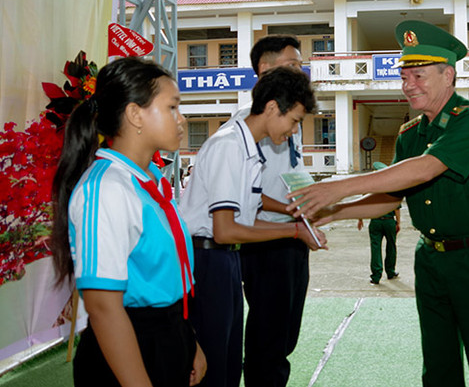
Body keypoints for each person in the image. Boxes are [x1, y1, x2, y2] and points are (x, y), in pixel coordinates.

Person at [286, 20, 469, 387]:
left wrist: (338, 186)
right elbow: (390, 197)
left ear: (448, 76)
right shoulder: (411, 133)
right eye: (404, 76)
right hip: (431, 259)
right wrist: (330, 212)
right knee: (438, 364)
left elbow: (424, 169)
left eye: (418, 75)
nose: (408, 85)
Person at [50, 57, 206, 386]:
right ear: (135, 114)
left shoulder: (148, 178)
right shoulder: (106, 188)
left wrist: (187, 340)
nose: (182, 119)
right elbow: (104, 307)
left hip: (167, 332)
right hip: (128, 349)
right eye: (172, 107)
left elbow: (167, 280)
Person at [179, 67, 327, 387]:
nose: (294, 130)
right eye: (295, 120)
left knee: (231, 361)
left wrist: (293, 211)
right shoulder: (229, 145)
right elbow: (225, 228)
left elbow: (251, 208)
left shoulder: (250, 150)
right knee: (213, 366)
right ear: (273, 108)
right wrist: (294, 231)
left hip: (227, 260)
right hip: (207, 260)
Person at [238, 34, 313, 387]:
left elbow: (289, 176)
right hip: (265, 238)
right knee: (268, 335)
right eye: (293, 65)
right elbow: (243, 193)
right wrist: (290, 211)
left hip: (293, 237)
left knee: (286, 334)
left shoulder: (288, 122)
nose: (302, 71)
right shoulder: (245, 126)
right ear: (265, 70)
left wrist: (319, 203)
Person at [356, 162, 401, 285]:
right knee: (391, 246)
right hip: (389, 222)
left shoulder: (370, 188)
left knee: (375, 248)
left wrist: (360, 219)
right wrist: (398, 222)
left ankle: (376, 276)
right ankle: (390, 272)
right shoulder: (393, 188)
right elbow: (397, 207)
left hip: (375, 221)